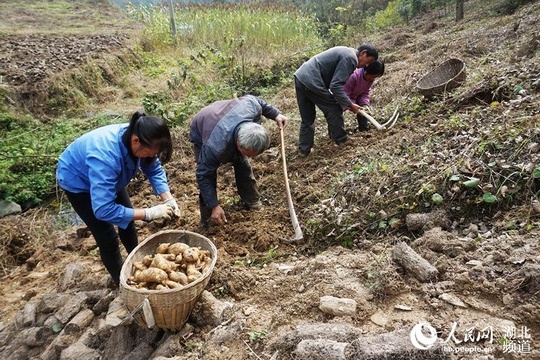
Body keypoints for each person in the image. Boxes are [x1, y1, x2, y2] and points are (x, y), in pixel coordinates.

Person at [56, 111, 181, 285]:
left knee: (128, 221)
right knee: (106, 236)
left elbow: (153, 168)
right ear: (136, 141)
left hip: (109, 177)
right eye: (150, 153)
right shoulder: (105, 157)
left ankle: (136, 261)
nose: (151, 156)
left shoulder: (140, 137)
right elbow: (104, 209)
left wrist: (167, 199)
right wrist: (148, 213)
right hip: (78, 181)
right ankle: (121, 282)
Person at [189, 95, 288, 228]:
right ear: (239, 144)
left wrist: (275, 114)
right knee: (208, 174)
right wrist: (214, 206)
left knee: (243, 164)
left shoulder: (251, 106)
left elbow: (259, 102)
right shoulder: (214, 147)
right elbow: (203, 175)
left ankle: (252, 201)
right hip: (203, 126)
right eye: (248, 153)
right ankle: (207, 219)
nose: (251, 158)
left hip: (227, 113)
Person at [294, 44, 379, 156]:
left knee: (307, 118)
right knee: (334, 108)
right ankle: (342, 141)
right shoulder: (351, 59)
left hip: (300, 77)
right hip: (312, 80)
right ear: (363, 53)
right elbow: (336, 86)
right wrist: (349, 104)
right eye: (369, 60)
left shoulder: (347, 52)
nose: (367, 65)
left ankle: (303, 150)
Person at [344, 60, 385, 132]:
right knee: (335, 116)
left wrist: (364, 104)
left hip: (352, 97)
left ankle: (364, 130)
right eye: (372, 76)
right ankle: (338, 138)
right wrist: (351, 105)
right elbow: (343, 94)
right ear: (367, 71)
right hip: (337, 97)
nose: (373, 79)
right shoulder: (353, 76)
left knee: (363, 109)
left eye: (375, 77)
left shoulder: (370, 79)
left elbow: (365, 93)